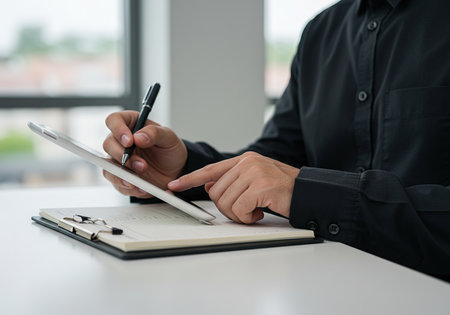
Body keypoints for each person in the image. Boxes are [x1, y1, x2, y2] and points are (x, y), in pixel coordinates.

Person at [102, 0, 450, 281]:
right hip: (320, 284)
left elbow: (294, 181)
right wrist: (181, 168)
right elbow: (278, 159)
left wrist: (311, 192)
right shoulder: (321, 33)